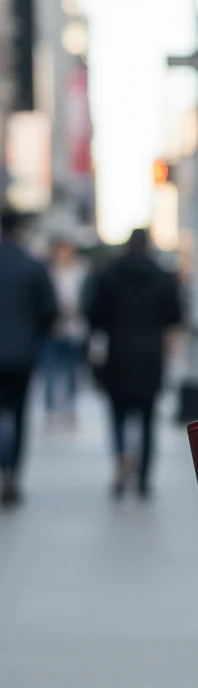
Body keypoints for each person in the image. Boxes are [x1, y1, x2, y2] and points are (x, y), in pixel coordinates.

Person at [87, 228, 181, 498]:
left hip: (117, 352)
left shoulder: (109, 274)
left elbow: (94, 316)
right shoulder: (161, 276)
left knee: (117, 413)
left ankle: (120, 457)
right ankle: (143, 477)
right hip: (151, 355)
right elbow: (174, 317)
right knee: (148, 416)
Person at [0, 210, 57, 508]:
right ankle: (12, 474)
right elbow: (49, 309)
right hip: (22, 354)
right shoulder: (32, 265)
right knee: (19, 415)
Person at [42, 238, 90, 424]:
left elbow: (86, 297)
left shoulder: (80, 271)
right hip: (53, 328)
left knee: (72, 371)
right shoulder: (48, 271)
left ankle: (69, 408)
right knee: (50, 371)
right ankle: (51, 409)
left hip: (74, 328)